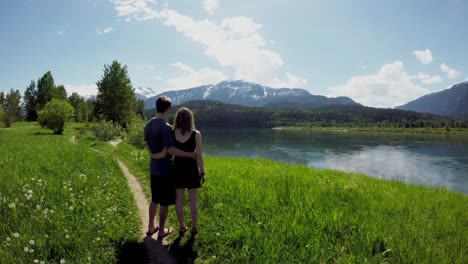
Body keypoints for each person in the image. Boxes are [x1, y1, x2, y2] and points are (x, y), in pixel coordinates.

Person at [144, 96, 196, 240]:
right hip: (166, 169)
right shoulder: (166, 127)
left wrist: (153, 155)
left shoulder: (148, 124)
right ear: (167, 108)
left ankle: (150, 227)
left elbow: (147, 144)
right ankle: (161, 231)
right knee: (165, 202)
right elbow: (171, 150)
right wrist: (190, 154)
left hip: (154, 168)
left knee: (154, 199)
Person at [171, 107, 205, 235]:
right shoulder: (196, 134)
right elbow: (199, 156)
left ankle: (182, 226)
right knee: (193, 202)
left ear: (177, 119)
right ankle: (195, 226)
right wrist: (202, 172)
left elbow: (171, 151)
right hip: (192, 170)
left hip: (177, 169)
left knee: (179, 200)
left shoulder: (172, 133)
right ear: (190, 118)